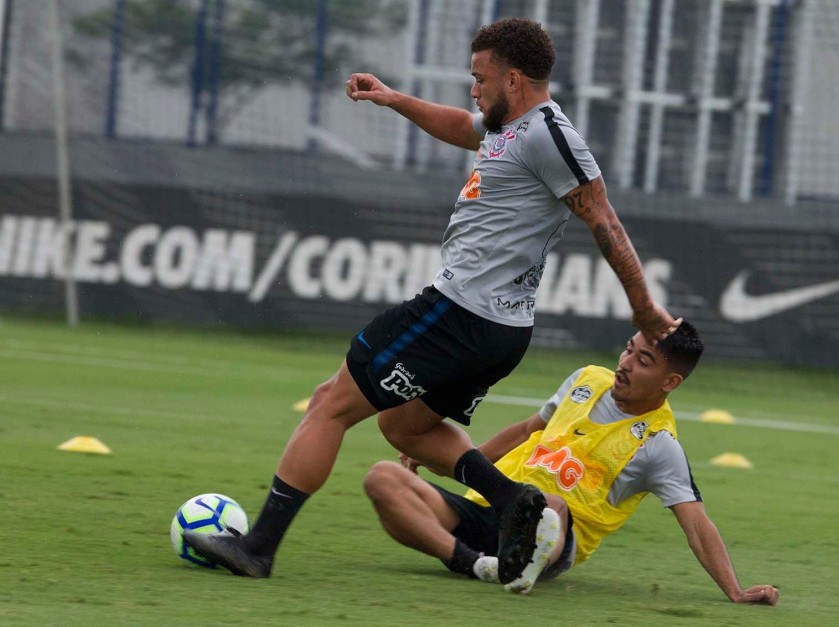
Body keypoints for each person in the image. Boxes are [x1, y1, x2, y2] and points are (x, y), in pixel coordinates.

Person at [184, 17, 680, 583]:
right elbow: (464, 126)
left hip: (459, 312)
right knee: (404, 427)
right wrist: (394, 99)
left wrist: (643, 309)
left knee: (330, 403)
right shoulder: (510, 124)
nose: (473, 88)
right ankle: (513, 500)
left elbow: (600, 214)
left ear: (514, 79)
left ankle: (260, 547)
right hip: (495, 328)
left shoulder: (550, 134)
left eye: (480, 77)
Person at [365, 321, 779, 604]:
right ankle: (475, 564)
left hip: (554, 534)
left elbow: (697, 523)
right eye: (629, 350)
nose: (625, 363)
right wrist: (447, 466)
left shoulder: (659, 444)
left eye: (643, 361)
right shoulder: (585, 380)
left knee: (549, 505)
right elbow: (526, 431)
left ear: (671, 383)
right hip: (489, 507)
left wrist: (735, 590)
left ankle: (522, 559)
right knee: (382, 478)